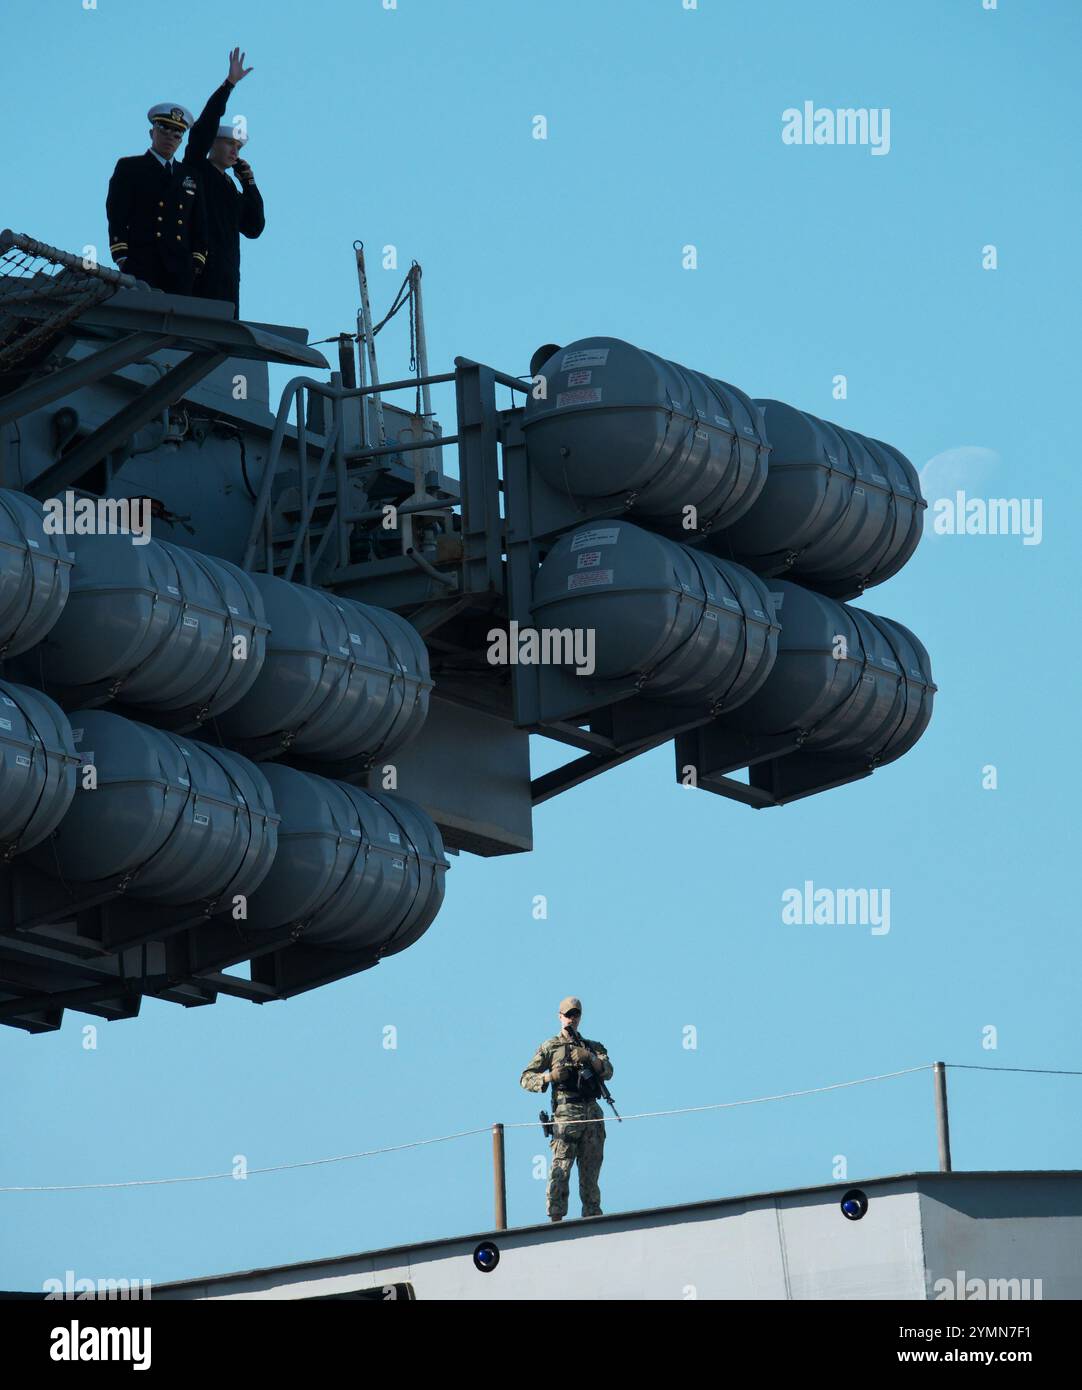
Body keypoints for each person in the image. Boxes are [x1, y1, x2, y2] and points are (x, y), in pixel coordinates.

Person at [106, 49, 252, 296]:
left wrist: (197, 261)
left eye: (177, 133)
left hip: (180, 271)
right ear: (152, 132)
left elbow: (200, 223)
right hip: (142, 264)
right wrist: (121, 255)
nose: (171, 138)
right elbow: (117, 212)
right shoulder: (131, 167)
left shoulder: (189, 175)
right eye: (164, 130)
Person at [520, 996, 614, 1222]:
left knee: (591, 1171)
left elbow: (608, 1071)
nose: (572, 1019)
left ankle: (592, 1218)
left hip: (591, 1112)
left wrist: (589, 1058)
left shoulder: (592, 1046)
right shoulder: (550, 1047)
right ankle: (556, 1219)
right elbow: (525, 1078)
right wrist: (549, 1076)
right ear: (560, 1016)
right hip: (566, 1112)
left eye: (576, 1014)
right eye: (568, 1014)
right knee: (560, 1169)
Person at [195, 119, 265, 315]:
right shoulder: (198, 171)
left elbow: (254, 227)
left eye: (238, 147)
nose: (234, 151)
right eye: (228, 143)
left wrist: (248, 183)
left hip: (227, 273)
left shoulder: (230, 187)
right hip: (201, 269)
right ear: (211, 142)